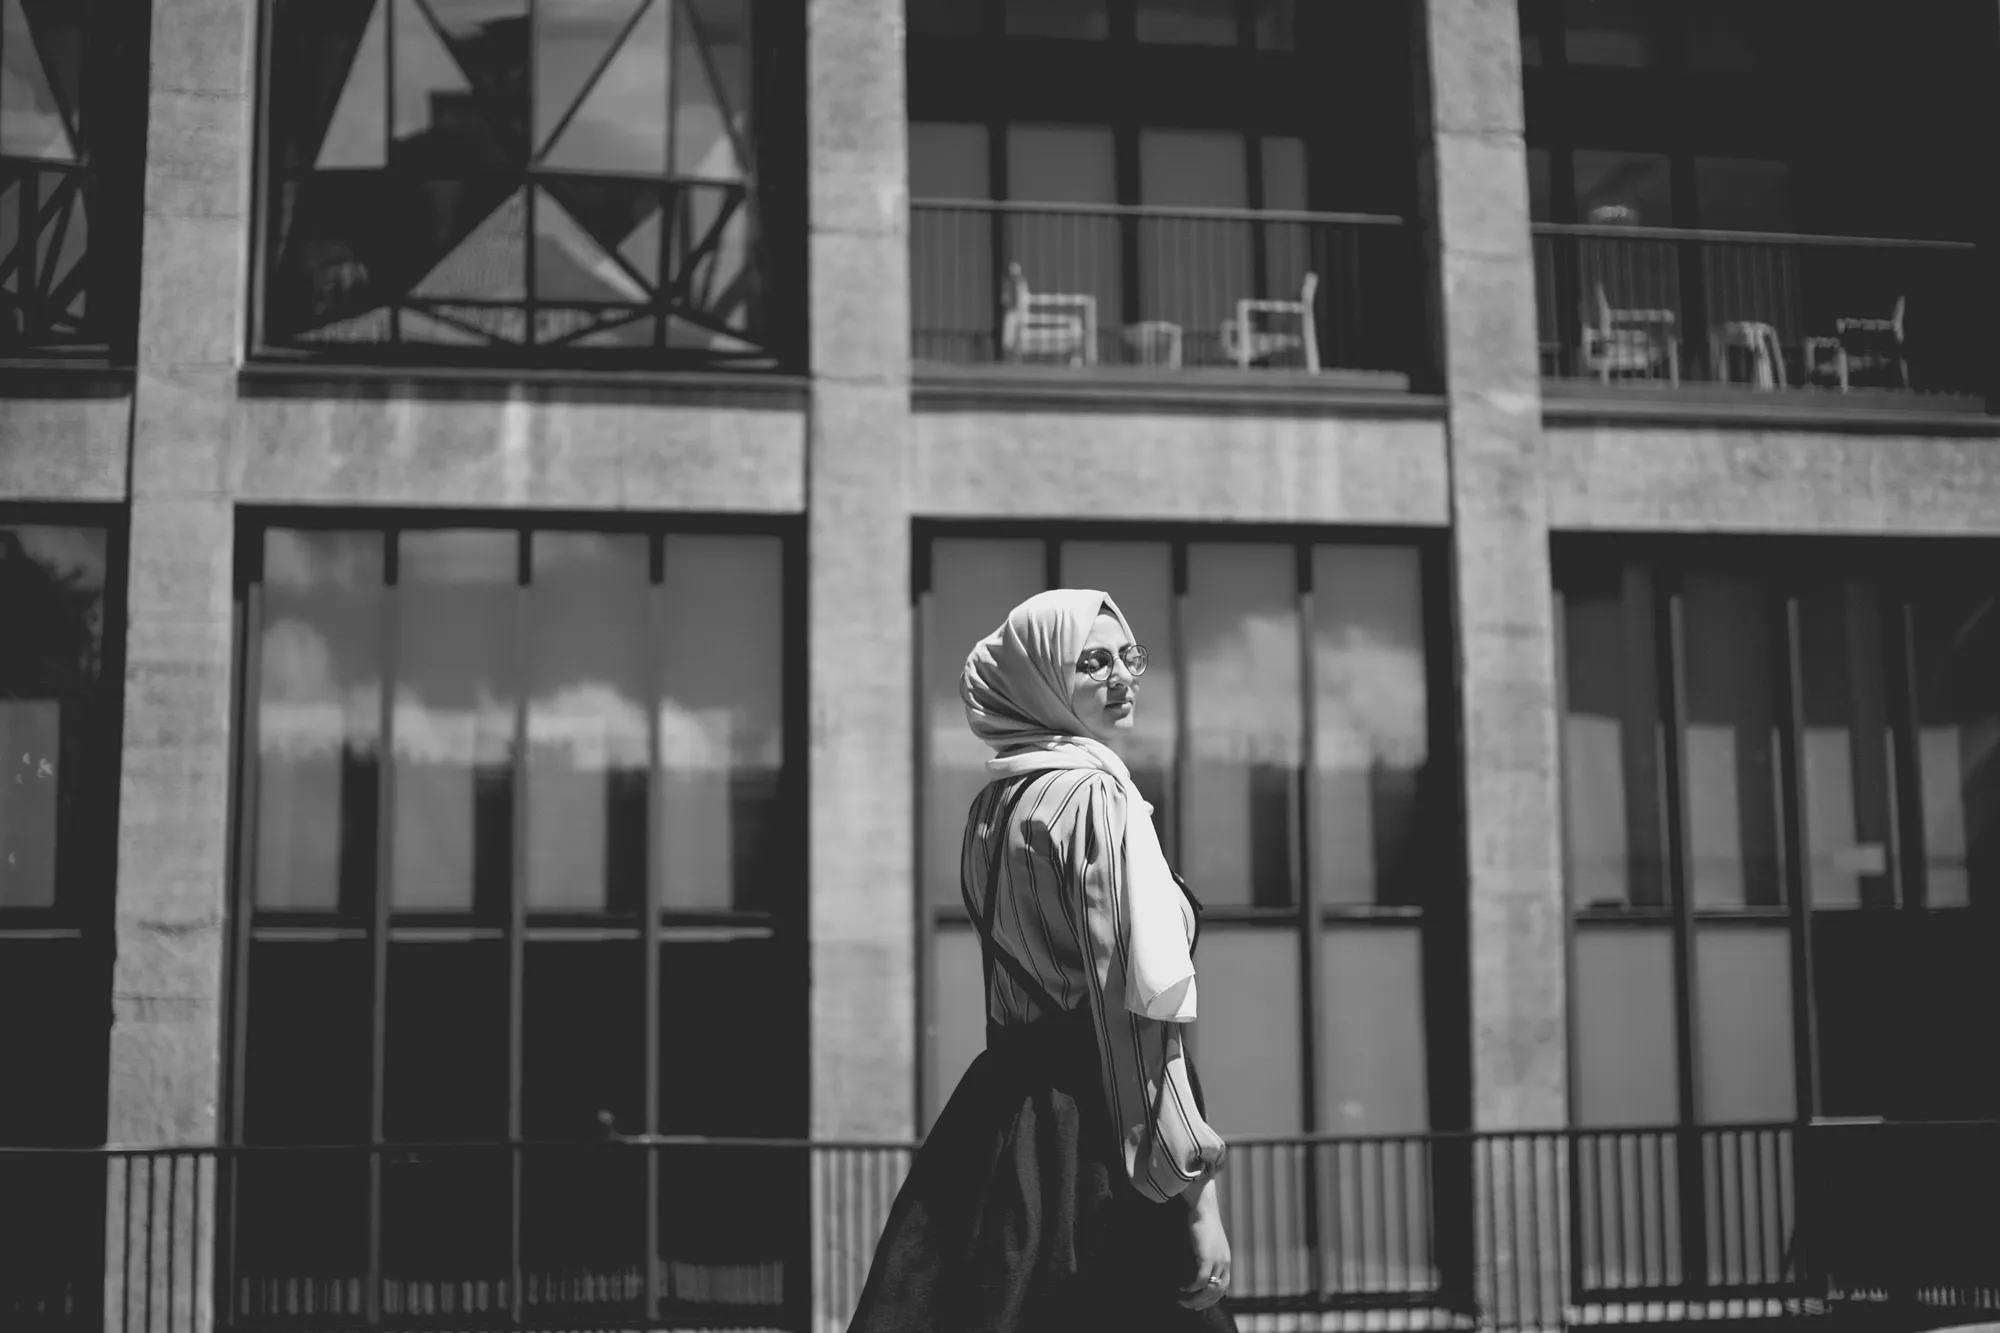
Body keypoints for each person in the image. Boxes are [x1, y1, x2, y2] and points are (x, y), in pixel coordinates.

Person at [847, 589, 1236, 1333]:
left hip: (1001, 1120)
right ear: (1043, 679)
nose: (1121, 675)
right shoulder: (1097, 798)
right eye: (1092, 660)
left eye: (1129, 655)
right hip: (1099, 1137)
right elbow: (1139, 1017)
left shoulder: (995, 804)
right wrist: (1195, 1197)